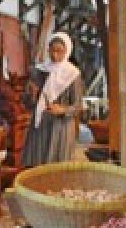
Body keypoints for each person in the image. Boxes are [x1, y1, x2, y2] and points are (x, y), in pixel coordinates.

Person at [22, 32, 82, 167]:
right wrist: (31, 95)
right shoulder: (39, 71)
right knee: (37, 167)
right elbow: (27, 103)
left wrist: (62, 109)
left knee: (57, 168)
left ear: (67, 51)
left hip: (61, 128)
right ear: (47, 49)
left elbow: (78, 105)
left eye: (59, 51)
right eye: (52, 50)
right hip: (40, 125)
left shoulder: (73, 74)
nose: (55, 55)